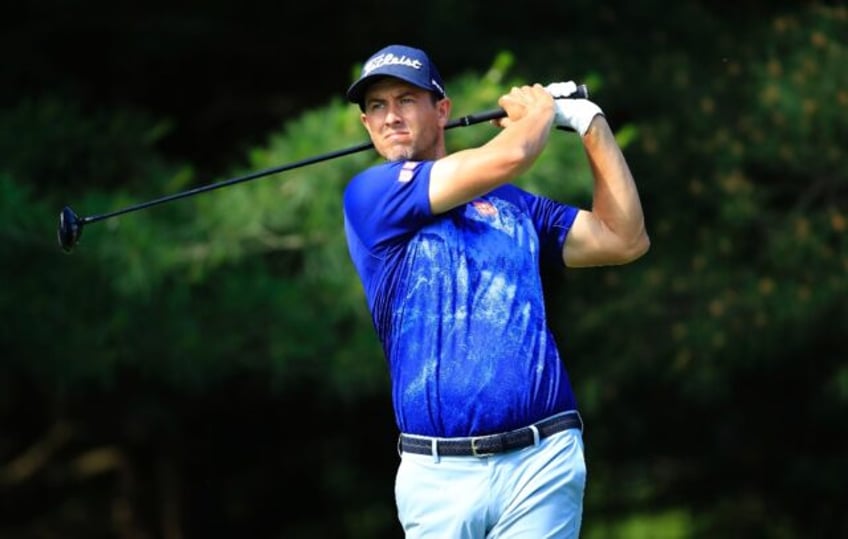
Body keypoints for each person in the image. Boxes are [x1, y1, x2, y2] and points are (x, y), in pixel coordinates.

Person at [341, 44, 649, 538]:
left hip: (542, 459)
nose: (390, 116)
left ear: (441, 110)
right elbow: (513, 153)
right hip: (437, 475)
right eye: (376, 106)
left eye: (405, 100)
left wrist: (589, 124)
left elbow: (623, 237)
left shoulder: (510, 205)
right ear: (365, 124)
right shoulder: (370, 196)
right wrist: (542, 112)